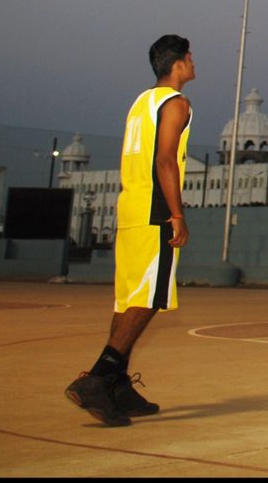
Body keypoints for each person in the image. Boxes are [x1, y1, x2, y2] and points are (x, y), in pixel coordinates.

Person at [65, 34, 196, 426]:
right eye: (190, 58)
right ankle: (100, 376)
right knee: (149, 298)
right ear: (178, 64)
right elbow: (166, 161)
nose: (193, 64)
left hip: (130, 206)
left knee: (128, 299)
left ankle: (118, 386)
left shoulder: (142, 102)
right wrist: (177, 213)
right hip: (155, 211)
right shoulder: (177, 104)